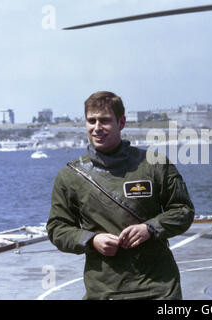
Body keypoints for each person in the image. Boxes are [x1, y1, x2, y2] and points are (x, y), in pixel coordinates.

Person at [46, 91, 195, 300]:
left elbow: (183, 211)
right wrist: (92, 239)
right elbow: (57, 229)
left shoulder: (155, 164)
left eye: (105, 120)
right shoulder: (71, 176)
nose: (97, 128)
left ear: (121, 122)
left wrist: (150, 229)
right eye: (91, 121)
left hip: (159, 287)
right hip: (105, 290)